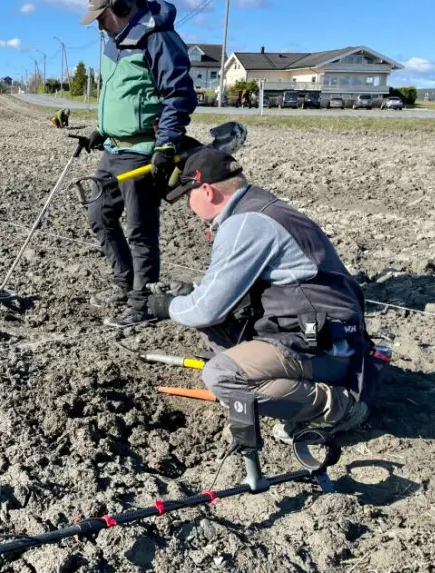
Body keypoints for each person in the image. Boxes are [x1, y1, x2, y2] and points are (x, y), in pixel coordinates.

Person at [147, 145, 371, 442]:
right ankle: (281, 380)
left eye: (188, 196)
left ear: (207, 191)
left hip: (324, 343)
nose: (189, 205)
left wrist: (169, 306)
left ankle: (337, 407)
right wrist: (192, 291)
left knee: (220, 376)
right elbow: (221, 292)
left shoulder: (245, 224)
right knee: (216, 327)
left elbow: (206, 309)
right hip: (324, 331)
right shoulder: (259, 207)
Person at [78, 0, 197, 327]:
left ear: (121, 6)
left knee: (141, 231)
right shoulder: (113, 42)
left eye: (102, 16)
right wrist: (100, 130)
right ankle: (124, 282)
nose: (99, 25)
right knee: (99, 214)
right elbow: (120, 93)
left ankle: (143, 302)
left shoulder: (158, 39)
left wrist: (166, 144)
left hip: (143, 150)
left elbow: (179, 95)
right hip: (113, 149)